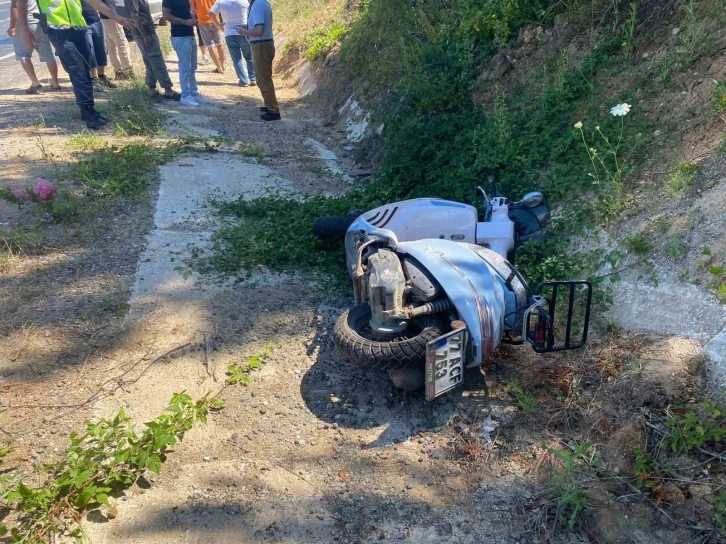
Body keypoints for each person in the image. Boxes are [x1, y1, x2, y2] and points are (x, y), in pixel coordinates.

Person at [17, 0, 131, 129]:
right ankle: (87, 111)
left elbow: (95, 2)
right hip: (58, 30)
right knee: (77, 71)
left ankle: (90, 109)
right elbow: (21, 3)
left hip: (80, 28)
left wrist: (116, 17)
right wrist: (24, 29)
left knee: (86, 69)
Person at [124, 0, 180, 99]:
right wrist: (144, 35)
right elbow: (135, 16)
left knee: (149, 60)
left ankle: (151, 88)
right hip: (145, 32)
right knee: (156, 59)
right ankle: (168, 89)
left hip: (145, 31)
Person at [235, 0, 278, 120]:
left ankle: (273, 110)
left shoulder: (258, 4)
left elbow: (259, 30)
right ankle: (270, 105)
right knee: (262, 78)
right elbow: (258, 26)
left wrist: (244, 31)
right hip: (261, 45)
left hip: (261, 46)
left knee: (263, 80)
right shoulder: (259, 3)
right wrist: (247, 28)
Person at [162, 0, 210, 107]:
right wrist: (185, 22)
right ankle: (185, 95)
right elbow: (166, 15)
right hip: (179, 37)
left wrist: (192, 17)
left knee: (192, 67)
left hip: (190, 35)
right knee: (185, 68)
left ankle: (193, 92)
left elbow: (186, 12)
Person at [7, 0, 61, 94]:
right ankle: (55, 83)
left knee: (23, 54)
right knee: (48, 54)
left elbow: (15, 8)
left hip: (25, 23)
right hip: (40, 22)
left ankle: (35, 83)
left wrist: (12, 26)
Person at [209, 0, 255, 87]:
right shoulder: (244, 1)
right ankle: (253, 78)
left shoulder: (221, 2)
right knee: (249, 56)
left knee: (236, 59)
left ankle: (243, 80)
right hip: (244, 31)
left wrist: (218, 25)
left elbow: (211, 13)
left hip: (229, 32)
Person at [81, 0, 118, 90]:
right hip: (83, 23)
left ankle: (102, 77)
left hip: (96, 21)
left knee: (101, 49)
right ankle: (93, 79)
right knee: (90, 51)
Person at [101, 0, 133, 80]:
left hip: (104, 19)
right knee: (122, 45)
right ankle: (127, 71)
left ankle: (118, 71)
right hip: (113, 18)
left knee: (111, 47)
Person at [190, 0, 224, 74]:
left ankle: (219, 67)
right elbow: (220, 4)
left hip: (203, 21)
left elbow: (192, 7)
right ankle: (222, 65)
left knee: (210, 45)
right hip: (215, 19)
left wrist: (199, 14)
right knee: (219, 43)